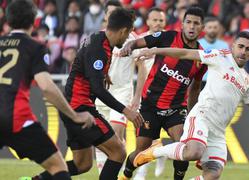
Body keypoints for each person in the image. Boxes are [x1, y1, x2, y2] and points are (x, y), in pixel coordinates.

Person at [133, 31, 249, 180]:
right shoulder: (219, 56)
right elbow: (184, 53)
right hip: (202, 117)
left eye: (248, 49)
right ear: (233, 45)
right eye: (240, 46)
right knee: (193, 152)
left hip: (218, 132)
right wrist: (156, 50)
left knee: (213, 173)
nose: (243, 51)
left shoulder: (248, 81)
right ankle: (155, 151)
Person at [35, 7, 145, 180]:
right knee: (118, 151)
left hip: (70, 106)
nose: (126, 39)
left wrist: (103, 74)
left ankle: (38, 179)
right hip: (80, 108)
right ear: (123, 30)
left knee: (82, 164)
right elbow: (98, 89)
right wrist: (126, 110)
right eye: (127, 34)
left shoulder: (97, 38)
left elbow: (86, 65)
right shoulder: (99, 49)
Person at [0, 1, 95, 180]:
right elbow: (46, 86)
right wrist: (74, 116)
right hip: (18, 120)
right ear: (35, 21)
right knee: (58, 168)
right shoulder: (34, 46)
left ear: (8, 20)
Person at [119, 7, 207, 180]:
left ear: (201, 27)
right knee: (141, 151)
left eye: (196, 23)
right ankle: (127, 173)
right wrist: (128, 46)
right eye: (188, 22)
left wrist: (192, 114)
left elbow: (195, 88)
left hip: (176, 108)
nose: (192, 26)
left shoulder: (201, 57)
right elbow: (139, 42)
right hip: (150, 105)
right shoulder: (168, 37)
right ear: (182, 24)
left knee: (184, 146)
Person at [94, 0, 148, 174]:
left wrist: (137, 96)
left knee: (116, 137)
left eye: (114, 13)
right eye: (109, 13)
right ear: (105, 16)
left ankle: (120, 173)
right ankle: (107, 173)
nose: (111, 16)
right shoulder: (98, 38)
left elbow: (142, 68)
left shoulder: (131, 40)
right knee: (101, 138)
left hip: (122, 94)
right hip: (101, 95)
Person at [133, 7, 167, 180]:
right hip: (145, 92)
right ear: (147, 22)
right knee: (141, 133)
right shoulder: (140, 41)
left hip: (165, 93)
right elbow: (136, 68)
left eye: (161, 20)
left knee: (153, 130)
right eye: (154, 20)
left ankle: (158, 153)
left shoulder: (171, 39)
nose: (158, 23)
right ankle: (145, 166)